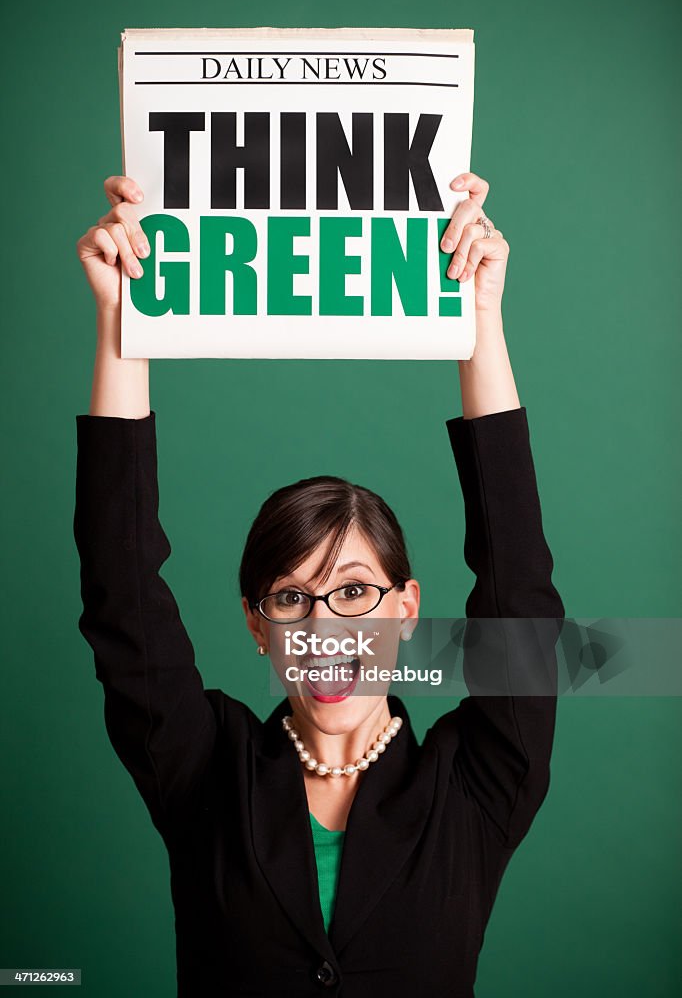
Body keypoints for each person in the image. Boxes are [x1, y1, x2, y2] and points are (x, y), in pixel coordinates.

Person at [73, 170, 564, 997]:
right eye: (292, 598)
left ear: (407, 610)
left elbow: (518, 590)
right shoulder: (206, 772)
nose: (326, 627)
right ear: (257, 624)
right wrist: (125, 315)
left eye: (355, 591)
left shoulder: (476, 786)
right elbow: (122, 590)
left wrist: (480, 317)